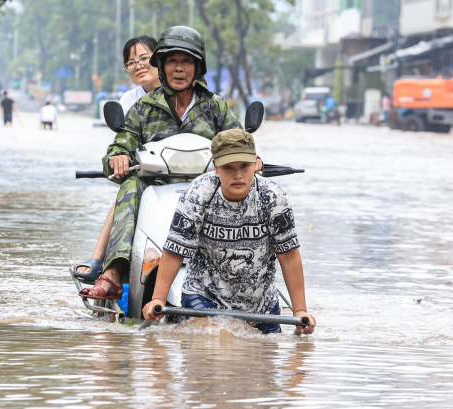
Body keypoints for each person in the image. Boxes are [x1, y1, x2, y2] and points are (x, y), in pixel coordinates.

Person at [77, 26, 245, 301]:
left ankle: (251, 274)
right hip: (154, 187)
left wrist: (252, 159)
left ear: (198, 67)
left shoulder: (217, 107)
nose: (179, 69)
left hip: (208, 189)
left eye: (186, 61)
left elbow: (239, 144)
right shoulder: (143, 108)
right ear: (163, 66)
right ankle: (115, 273)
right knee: (131, 183)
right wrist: (117, 158)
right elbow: (121, 143)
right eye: (172, 61)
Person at [141, 129, 316, 335]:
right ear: (215, 166)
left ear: (256, 163)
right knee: (211, 345)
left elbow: (288, 256)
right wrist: (158, 300)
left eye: (244, 166)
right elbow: (175, 251)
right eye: (228, 167)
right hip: (205, 294)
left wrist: (300, 311)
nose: (237, 175)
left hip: (260, 304)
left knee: (266, 356)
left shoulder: (273, 197)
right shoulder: (198, 194)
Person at [72, 36, 161, 282]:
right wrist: (119, 157)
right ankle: (101, 262)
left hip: (189, 175)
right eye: (131, 62)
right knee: (128, 190)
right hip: (148, 175)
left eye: (144, 58)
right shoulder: (130, 102)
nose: (138, 65)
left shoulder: (196, 97)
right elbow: (124, 141)